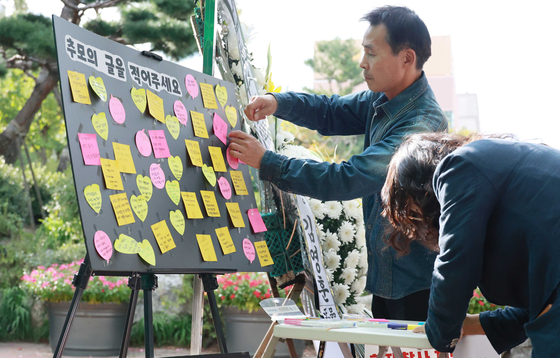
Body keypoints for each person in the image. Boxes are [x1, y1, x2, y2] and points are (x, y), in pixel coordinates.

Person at [228, 6, 447, 320]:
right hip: (392, 276)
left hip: (415, 284)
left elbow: (348, 178)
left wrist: (266, 162)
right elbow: (330, 111)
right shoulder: (384, 98)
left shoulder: (419, 126)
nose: (362, 63)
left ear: (407, 58)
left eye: (371, 53)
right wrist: (278, 102)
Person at [381, 132, 560, 356]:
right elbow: (536, 307)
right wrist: (466, 324)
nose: (421, 227)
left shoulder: (458, 166)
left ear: (418, 189)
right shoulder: (499, 167)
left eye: (413, 213)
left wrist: (438, 333)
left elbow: (456, 262)